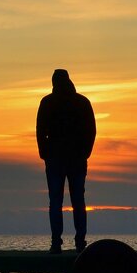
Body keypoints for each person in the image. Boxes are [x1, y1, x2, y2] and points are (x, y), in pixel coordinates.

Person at [36, 68, 96, 254]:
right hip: (66, 158)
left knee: (59, 201)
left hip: (66, 158)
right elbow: (40, 131)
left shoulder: (50, 102)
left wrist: (45, 152)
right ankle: (73, 241)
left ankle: (63, 242)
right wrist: (44, 152)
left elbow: (91, 130)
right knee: (73, 200)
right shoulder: (80, 102)